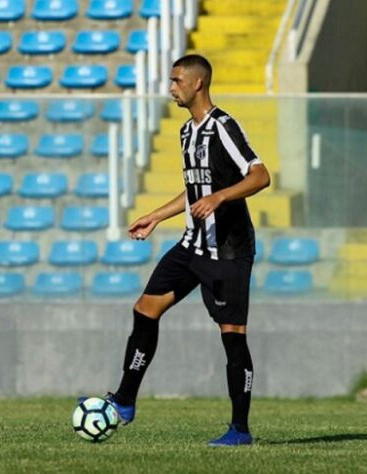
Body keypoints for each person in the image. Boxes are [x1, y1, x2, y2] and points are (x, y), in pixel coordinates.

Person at [103, 54, 270, 447]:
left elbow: (260, 175)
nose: (171, 87)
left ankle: (240, 430)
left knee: (232, 337)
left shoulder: (223, 127)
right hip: (191, 246)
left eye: (177, 80)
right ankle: (125, 400)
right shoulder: (185, 133)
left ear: (198, 84)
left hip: (228, 252)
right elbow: (195, 189)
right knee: (145, 308)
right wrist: (156, 216)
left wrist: (220, 198)